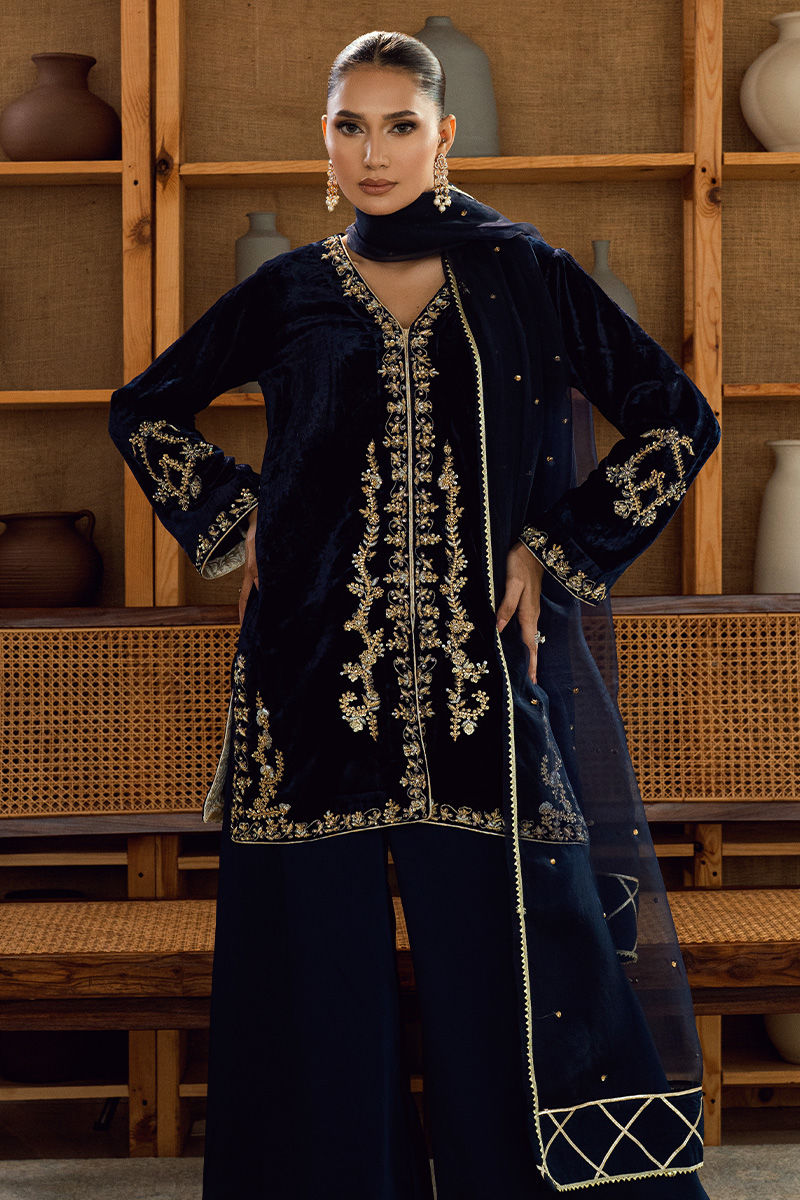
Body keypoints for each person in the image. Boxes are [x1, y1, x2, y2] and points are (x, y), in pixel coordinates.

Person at [108, 30, 721, 1200]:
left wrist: (555, 546)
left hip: (477, 684)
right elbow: (145, 410)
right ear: (324, 142)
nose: (373, 152)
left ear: (442, 137)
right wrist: (241, 521)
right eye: (350, 126)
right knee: (316, 985)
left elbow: (676, 419)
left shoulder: (524, 274)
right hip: (309, 689)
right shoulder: (291, 291)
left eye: (398, 126)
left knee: (511, 968)